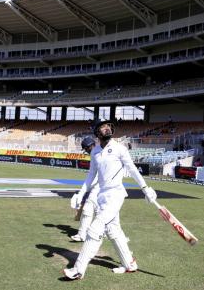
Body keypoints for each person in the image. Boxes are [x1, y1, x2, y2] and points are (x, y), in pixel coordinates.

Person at [63, 120, 157, 280]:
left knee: (94, 229)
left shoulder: (119, 148)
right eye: (103, 127)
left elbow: (132, 169)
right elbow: (91, 176)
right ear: (97, 133)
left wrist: (145, 188)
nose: (107, 129)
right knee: (113, 231)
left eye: (108, 127)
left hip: (116, 194)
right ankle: (129, 264)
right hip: (102, 197)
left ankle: (78, 269)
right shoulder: (95, 152)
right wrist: (80, 194)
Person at [70, 136, 100, 242]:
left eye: (86, 149)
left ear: (90, 146)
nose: (86, 151)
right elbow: (92, 174)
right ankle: (83, 234)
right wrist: (83, 191)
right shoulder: (94, 153)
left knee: (91, 209)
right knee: (93, 210)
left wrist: (85, 190)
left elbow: (96, 175)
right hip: (98, 186)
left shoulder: (97, 153)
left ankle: (85, 234)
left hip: (104, 187)